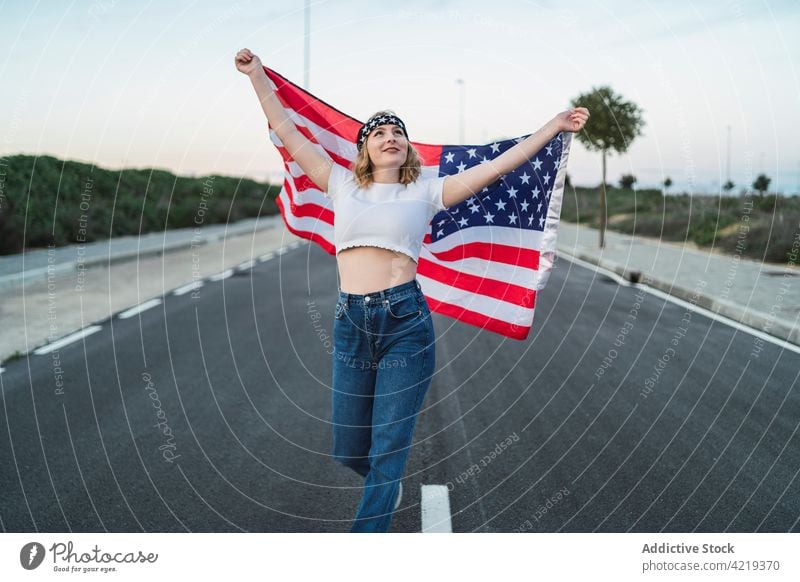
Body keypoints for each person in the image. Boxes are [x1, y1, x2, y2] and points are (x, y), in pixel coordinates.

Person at [235, 48, 588, 532]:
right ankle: (385, 481)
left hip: (405, 323)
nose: (390, 137)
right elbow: (289, 130)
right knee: (347, 446)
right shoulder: (340, 183)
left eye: (397, 131)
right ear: (364, 149)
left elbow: (499, 166)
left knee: (388, 447)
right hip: (351, 323)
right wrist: (256, 76)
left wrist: (551, 127)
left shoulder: (425, 188)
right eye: (379, 132)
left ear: (407, 146)